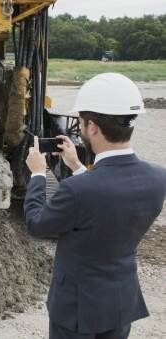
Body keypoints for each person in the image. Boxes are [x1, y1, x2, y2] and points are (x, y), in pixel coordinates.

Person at [24, 73, 166, 339]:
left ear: (92, 128)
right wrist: (77, 167)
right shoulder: (158, 178)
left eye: (80, 121)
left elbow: (36, 223)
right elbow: (108, 198)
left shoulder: (77, 191)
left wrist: (37, 174)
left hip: (78, 311)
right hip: (121, 303)